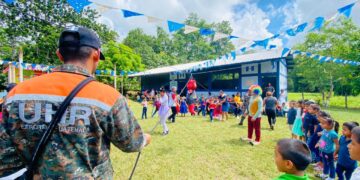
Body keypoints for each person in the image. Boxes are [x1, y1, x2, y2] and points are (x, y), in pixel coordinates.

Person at [0, 26, 151, 179]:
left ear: (59, 55)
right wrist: (145, 138)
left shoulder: (17, 93)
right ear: (96, 54)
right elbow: (132, 143)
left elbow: (5, 154)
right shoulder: (107, 96)